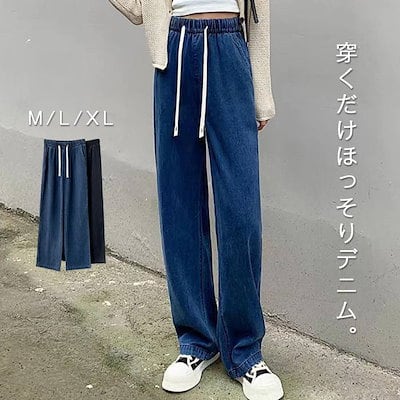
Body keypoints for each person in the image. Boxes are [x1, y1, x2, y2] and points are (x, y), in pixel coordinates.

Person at [108, 0, 284, 399]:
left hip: (230, 49)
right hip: (175, 52)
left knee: (241, 213)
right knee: (180, 205)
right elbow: (138, 10)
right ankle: (196, 341)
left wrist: (262, 93)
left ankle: (245, 350)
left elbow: (260, 16)